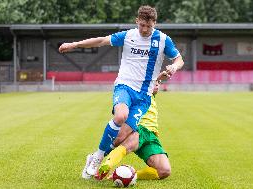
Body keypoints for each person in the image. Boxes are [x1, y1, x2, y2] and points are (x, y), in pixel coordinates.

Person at [59, 5, 184, 178]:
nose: (145, 29)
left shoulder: (163, 40)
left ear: (154, 23)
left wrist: (174, 67)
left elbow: (179, 59)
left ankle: (94, 157)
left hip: (144, 96)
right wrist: (74, 44)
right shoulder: (128, 35)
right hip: (125, 86)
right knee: (120, 116)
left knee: (119, 138)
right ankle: (97, 159)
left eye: (149, 26)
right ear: (137, 21)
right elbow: (101, 41)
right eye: (142, 25)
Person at [96, 79, 171, 180]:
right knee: (126, 145)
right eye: (154, 83)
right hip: (138, 128)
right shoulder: (134, 91)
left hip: (151, 136)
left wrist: (170, 69)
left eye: (158, 83)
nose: (156, 85)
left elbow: (157, 77)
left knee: (164, 170)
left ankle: (130, 176)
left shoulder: (151, 94)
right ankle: (105, 166)